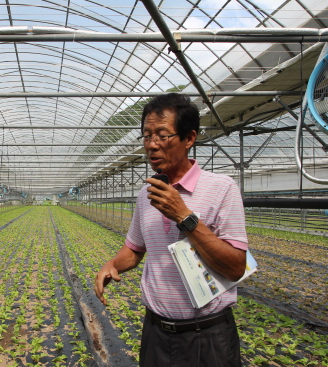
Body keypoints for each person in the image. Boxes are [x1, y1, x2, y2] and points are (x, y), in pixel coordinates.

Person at [94, 93, 248, 367]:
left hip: (208, 335)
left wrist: (184, 217)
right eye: (146, 136)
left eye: (162, 135)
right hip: (156, 333)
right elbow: (135, 248)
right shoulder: (146, 194)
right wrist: (113, 263)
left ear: (189, 138)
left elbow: (236, 267)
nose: (152, 146)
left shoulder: (222, 188)